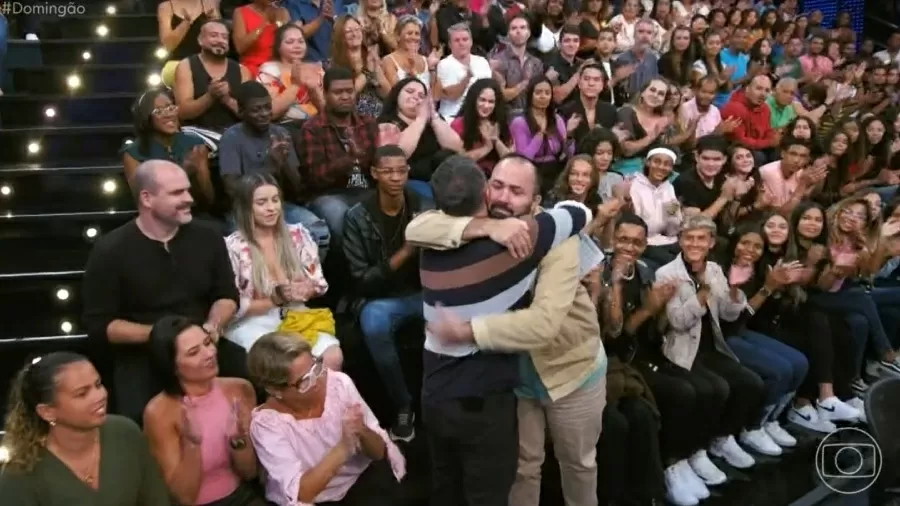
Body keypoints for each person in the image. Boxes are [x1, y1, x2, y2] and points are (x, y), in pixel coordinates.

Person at [414, 156, 613, 506]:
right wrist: (485, 228)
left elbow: (543, 325)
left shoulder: (557, 238)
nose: (504, 198)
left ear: (535, 202)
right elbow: (416, 229)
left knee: (578, 465)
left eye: (517, 191)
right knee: (523, 468)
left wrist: (468, 330)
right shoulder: (477, 224)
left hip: (570, 370)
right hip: (516, 379)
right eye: (498, 186)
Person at [82, 160, 239, 423]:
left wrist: (212, 327)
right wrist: (165, 337)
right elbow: (100, 325)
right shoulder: (110, 251)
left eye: (188, 190)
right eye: (177, 193)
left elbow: (227, 296)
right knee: (140, 413)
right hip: (144, 353)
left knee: (249, 378)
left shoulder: (209, 236)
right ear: (147, 198)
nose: (189, 199)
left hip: (205, 341)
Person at [656, 214, 765, 472]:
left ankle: (719, 439)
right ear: (680, 241)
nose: (695, 244)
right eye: (689, 238)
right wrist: (702, 296)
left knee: (751, 383)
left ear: (711, 243)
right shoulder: (667, 273)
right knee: (713, 389)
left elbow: (729, 314)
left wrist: (736, 291)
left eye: (701, 239)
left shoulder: (715, 269)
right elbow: (678, 321)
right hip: (680, 349)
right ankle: (689, 452)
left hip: (710, 346)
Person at [247, 333, 406, 505]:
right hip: (316, 498)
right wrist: (343, 449)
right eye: (304, 381)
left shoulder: (338, 384)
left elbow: (378, 453)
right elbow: (302, 493)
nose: (317, 381)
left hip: (358, 480)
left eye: (315, 366)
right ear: (275, 390)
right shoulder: (267, 425)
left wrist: (361, 430)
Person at [342, 144, 432, 441]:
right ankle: (403, 404)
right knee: (374, 322)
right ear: (374, 174)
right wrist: (407, 251)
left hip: (422, 292)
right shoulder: (357, 217)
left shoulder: (422, 205)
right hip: (380, 299)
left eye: (402, 170)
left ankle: (438, 400)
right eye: (388, 171)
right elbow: (362, 281)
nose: (396, 177)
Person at [0, 353, 169, 505]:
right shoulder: (21, 473)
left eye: (98, 384)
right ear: (47, 412)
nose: (100, 396)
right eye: (82, 393)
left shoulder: (125, 433)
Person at [143, 316, 266, 505]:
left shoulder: (240, 389)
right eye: (194, 352)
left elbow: (250, 473)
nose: (209, 353)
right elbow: (182, 497)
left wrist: (237, 441)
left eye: (208, 343)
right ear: (172, 366)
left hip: (242, 497)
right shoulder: (159, 412)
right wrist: (191, 444)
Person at [224, 173, 343, 369]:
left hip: (295, 313)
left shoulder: (298, 234)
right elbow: (234, 308)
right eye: (261, 202)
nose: (271, 208)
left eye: (275, 200)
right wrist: (274, 299)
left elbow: (319, 284)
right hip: (253, 322)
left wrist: (306, 288)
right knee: (288, 364)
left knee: (332, 357)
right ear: (246, 207)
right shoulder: (233, 247)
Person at [219, 80, 331, 251]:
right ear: (241, 111)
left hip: (279, 205)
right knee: (251, 246)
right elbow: (232, 189)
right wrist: (270, 165)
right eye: (256, 110)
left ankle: (304, 276)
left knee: (318, 232)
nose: (264, 114)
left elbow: (297, 188)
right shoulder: (231, 137)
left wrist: (284, 163)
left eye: (267, 107)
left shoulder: (280, 134)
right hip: (245, 210)